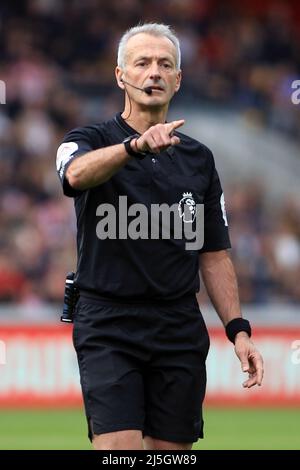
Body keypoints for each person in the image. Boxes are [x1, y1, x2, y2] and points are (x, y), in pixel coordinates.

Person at [56, 23, 264, 451]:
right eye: (143, 63)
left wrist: (239, 330)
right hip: (108, 323)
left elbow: (215, 253)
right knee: (119, 452)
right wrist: (134, 148)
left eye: (165, 64)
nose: (154, 72)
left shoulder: (199, 159)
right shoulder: (87, 141)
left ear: (178, 79)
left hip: (178, 326)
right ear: (120, 76)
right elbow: (74, 176)